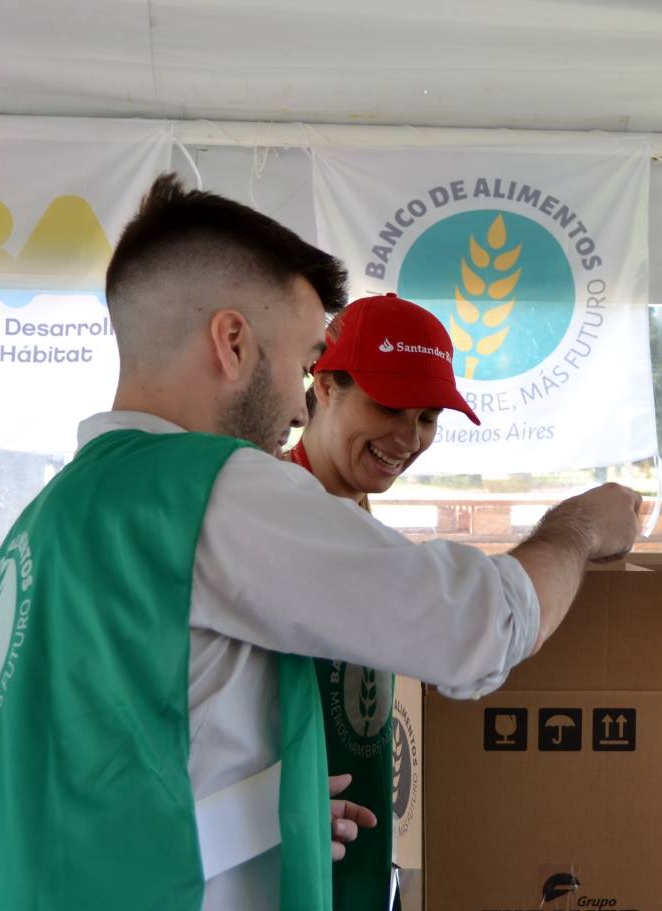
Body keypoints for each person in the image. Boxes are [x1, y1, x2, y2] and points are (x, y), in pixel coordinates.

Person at [0, 175, 642, 911]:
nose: (297, 397)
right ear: (234, 341)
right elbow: (479, 628)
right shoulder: (213, 490)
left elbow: (37, 805)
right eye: (303, 360)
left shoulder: (44, 524)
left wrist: (267, 809)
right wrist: (580, 526)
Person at [285, 292, 482, 911]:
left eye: (428, 417)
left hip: (365, 869)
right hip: (281, 868)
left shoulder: (363, 522)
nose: (409, 437)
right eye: (390, 406)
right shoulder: (268, 516)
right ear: (324, 385)